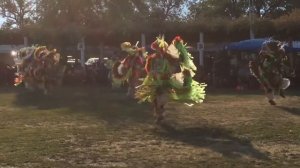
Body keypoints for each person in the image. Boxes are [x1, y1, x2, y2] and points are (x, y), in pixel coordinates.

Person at [135, 35, 206, 123]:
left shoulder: (167, 57)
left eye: (160, 48)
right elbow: (149, 68)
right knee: (155, 99)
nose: (159, 49)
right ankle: (159, 114)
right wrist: (152, 73)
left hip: (164, 80)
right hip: (155, 81)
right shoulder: (152, 58)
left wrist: (180, 51)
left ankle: (160, 113)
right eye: (157, 48)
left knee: (161, 98)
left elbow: (175, 62)